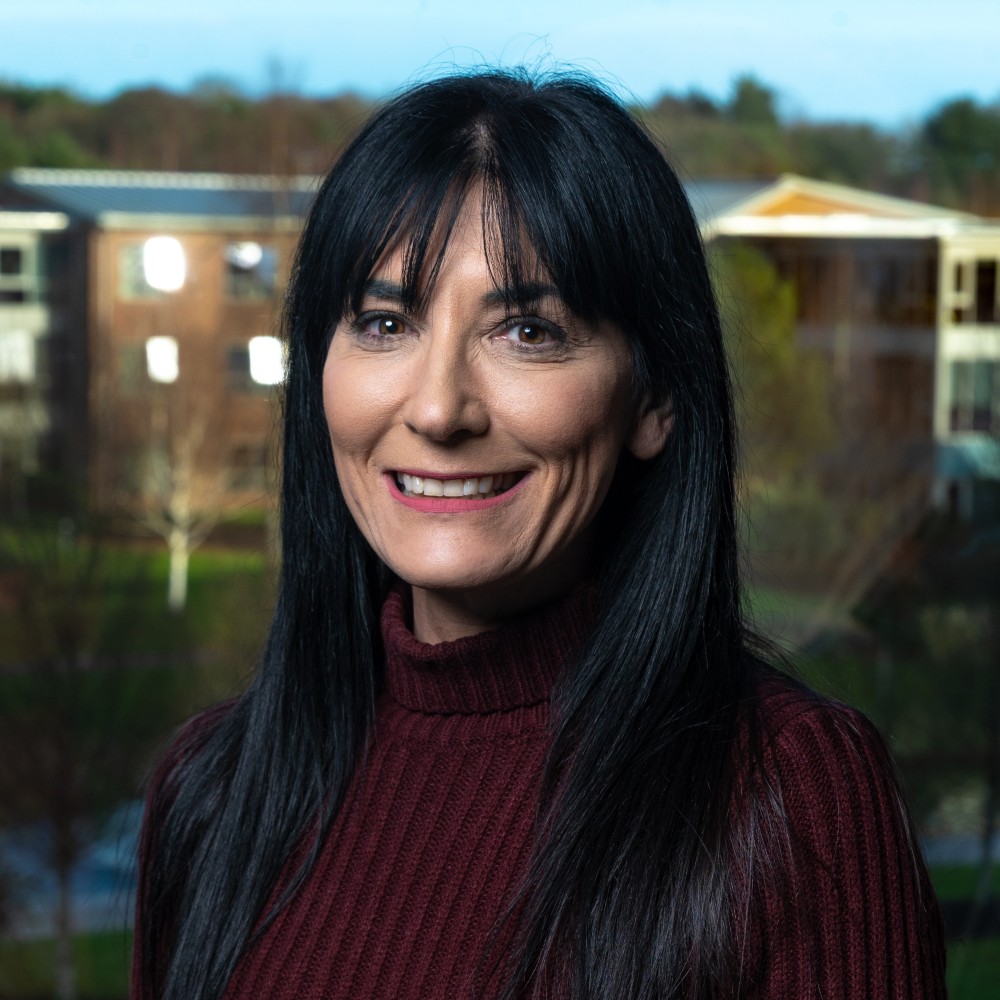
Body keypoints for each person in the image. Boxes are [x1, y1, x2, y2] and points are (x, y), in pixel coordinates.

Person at [132, 71, 947, 1000]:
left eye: (526, 330)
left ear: (655, 399)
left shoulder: (793, 800)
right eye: (385, 322)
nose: (438, 408)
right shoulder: (210, 792)